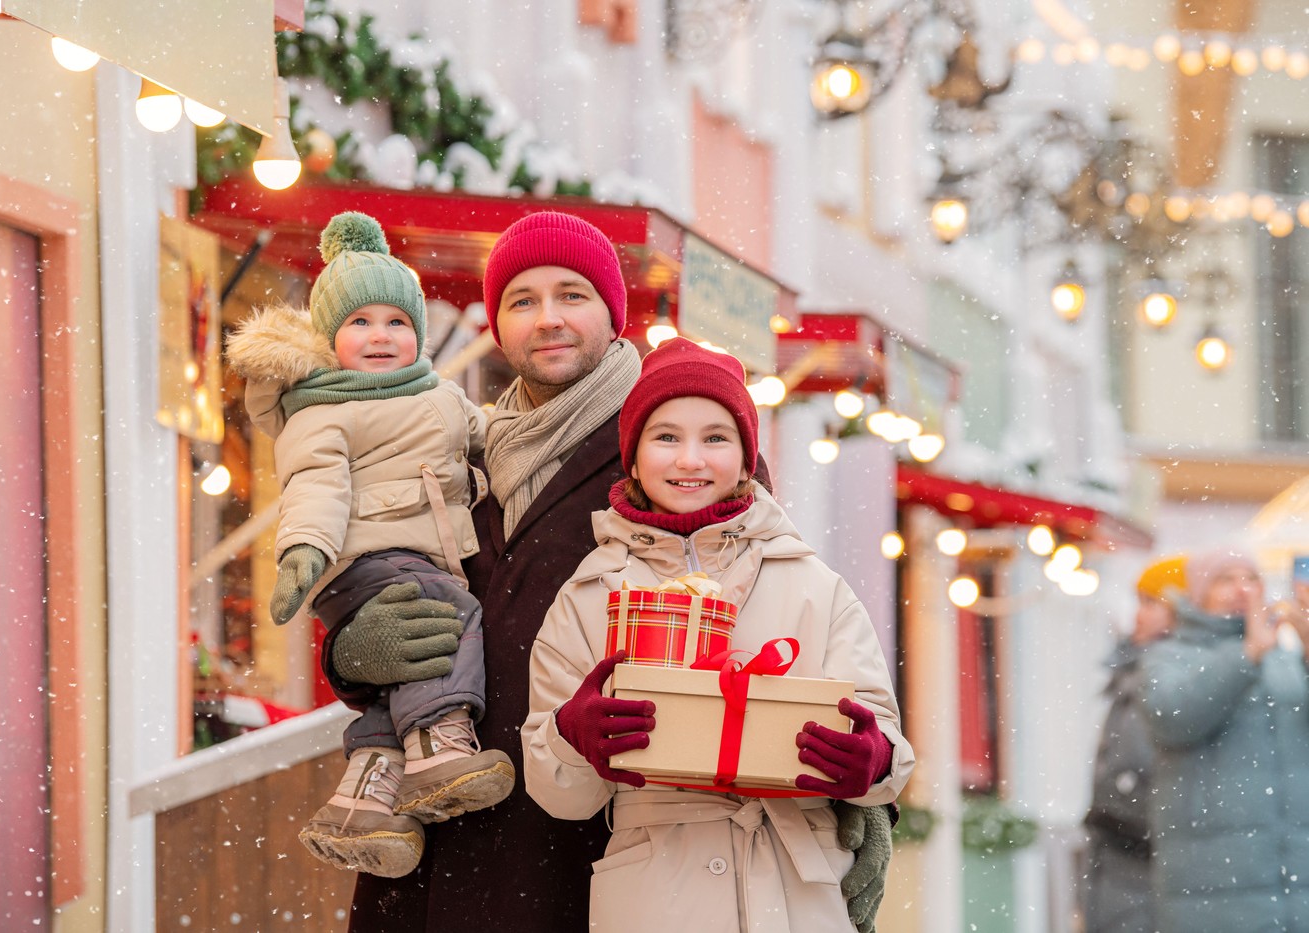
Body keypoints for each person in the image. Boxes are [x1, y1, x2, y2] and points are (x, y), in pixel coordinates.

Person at [340, 211, 897, 932]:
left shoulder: (673, 451)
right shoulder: (456, 456)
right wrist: (352, 652)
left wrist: (864, 792)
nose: (549, 319)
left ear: (612, 311)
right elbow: (381, 574)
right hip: (450, 820)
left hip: (603, 841)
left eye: (572, 295)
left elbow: (769, 613)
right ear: (497, 321)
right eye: (522, 300)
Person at [521, 337, 914, 932]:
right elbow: (560, 796)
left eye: (715, 437)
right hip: (655, 894)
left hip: (796, 891)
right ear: (630, 457)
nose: (690, 460)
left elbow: (883, 740)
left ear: (746, 455)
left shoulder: (814, 584)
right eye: (666, 437)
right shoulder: (587, 596)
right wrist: (573, 737)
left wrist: (873, 762)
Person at [226, 211, 513, 878]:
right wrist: (303, 555)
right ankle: (438, 751)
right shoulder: (323, 409)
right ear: (329, 339)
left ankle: (360, 800)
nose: (380, 336)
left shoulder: (440, 396)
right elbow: (314, 488)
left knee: (395, 678)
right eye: (359, 323)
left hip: (413, 554)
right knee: (451, 615)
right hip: (361, 562)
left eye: (397, 322)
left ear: (418, 333)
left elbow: (492, 436)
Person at [1140, 549, 1309, 932]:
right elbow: (1172, 719)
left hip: (1296, 888)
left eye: (1250, 579)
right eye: (1225, 580)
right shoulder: (1171, 657)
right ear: (1198, 592)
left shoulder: (1286, 661)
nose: (1242, 590)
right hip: (1212, 888)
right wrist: (1246, 654)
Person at [1080, 554, 1184, 933]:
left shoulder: (1168, 681)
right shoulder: (1133, 672)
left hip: (1141, 866)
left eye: (1152, 603)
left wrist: (1121, 821)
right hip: (1121, 862)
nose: (1139, 615)